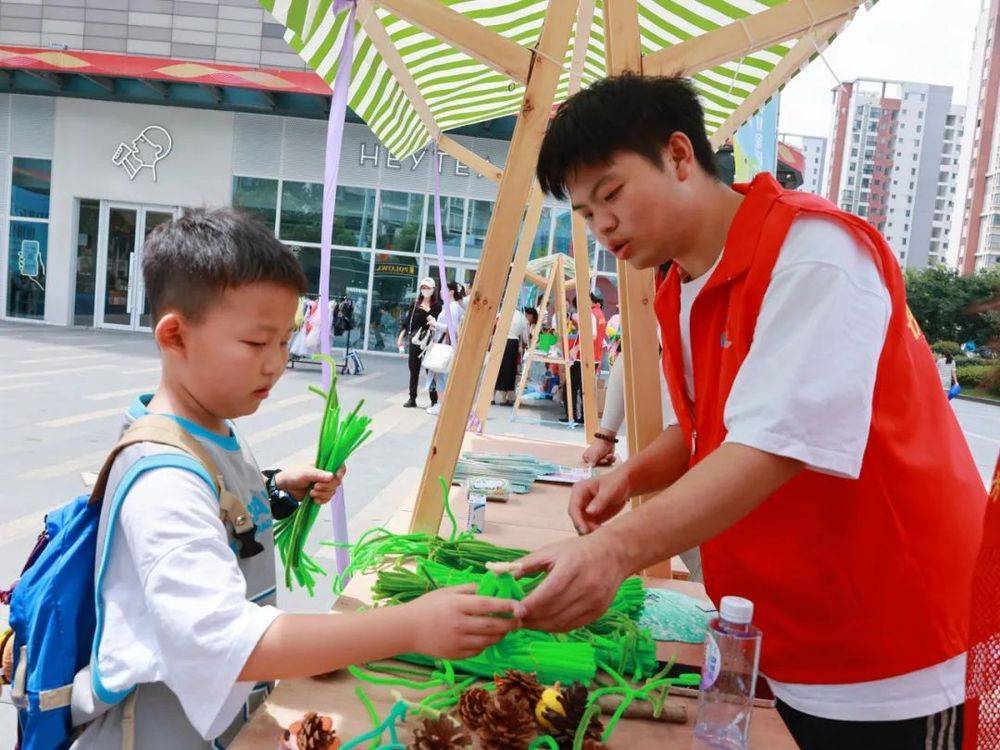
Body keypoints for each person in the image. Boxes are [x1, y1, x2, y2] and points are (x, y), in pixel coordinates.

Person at [519, 74, 985, 749]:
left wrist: (613, 552)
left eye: (612, 193)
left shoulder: (815, 254)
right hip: (789, 642)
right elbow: (710, 430)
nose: (602, 225)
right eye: (586, 213)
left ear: (680, 156)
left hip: (900, 655)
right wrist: (630, 477)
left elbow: (772, 446)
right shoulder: (678, 287)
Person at [70, 209, 523, 748]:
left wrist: (276, 489)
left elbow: (218, 508)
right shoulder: (163, 482)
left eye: (286, 341)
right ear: (175, 336)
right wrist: (409, 627)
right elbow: (222, 640)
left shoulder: (208, 428)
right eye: (257, 344)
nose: (277, 364)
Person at [561, 291, 608, 424]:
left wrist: (576, 348)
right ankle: (583, 418)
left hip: (584, 357)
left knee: (571, 387)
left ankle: (572, 416)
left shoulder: (591, 314)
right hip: (593, 357)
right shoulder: (599, 313)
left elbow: (591, 336)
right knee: (585, 389)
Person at [396, 277, 442, 408]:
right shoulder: (415, 303)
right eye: (423, 287)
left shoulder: (437, 306)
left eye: (428, 288)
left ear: (433, 290)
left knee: (430, 371)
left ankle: (434, 400)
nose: (425, 290)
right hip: (415, 340)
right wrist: (401, 338)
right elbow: (407, 322)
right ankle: (412, 398)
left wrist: (428, 311)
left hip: (429, 341)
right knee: (414, 369)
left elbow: (437, 323)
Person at [426, 280, 467, 416]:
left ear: (451, 292)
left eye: (444, 290)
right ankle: (442, 403)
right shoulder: (452, 306)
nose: (441, 292)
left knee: (442, 375)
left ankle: (442, 404)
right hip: (445, 343)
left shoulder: (452, 307)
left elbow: (452, 328)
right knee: (442, 374)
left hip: (446, 345)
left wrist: (435, 323)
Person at [494, 306, 532, 405]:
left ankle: (491, 396)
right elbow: (525, 338)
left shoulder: (501, 313)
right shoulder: (521, 317)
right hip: (512, 343)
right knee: (509, 370)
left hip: (498, 341)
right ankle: (505, 396)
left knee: (496, 368)